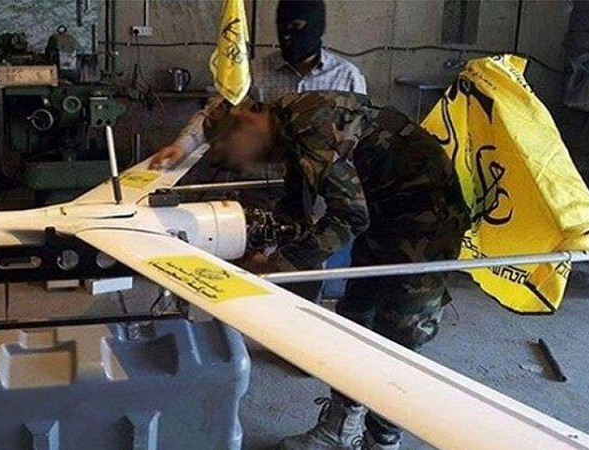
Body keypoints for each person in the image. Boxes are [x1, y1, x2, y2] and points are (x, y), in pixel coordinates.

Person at [194, 91, 470, 450]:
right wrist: (257, 247)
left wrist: (277, 267)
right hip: (385, 212)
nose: (241, 164)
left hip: (428, 219)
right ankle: (342, 426)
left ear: (245, 123)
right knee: (355, 320)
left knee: (399, 335)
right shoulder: (287, 126)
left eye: (234, 152)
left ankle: (382, 441)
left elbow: (350, 216)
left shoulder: (310, 124)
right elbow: (296, 208)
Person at [152, 0, 366, 300]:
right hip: (262, 189)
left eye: (297, 28)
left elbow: (356, 141)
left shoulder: (347, 78)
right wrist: (182, 145)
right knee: (246, 273)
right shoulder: (256, 71)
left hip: (319, 194)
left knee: (302, 274)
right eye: (282, 28)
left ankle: (294, 322)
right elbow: (217, 111)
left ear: (317, 27)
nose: (288, 36)